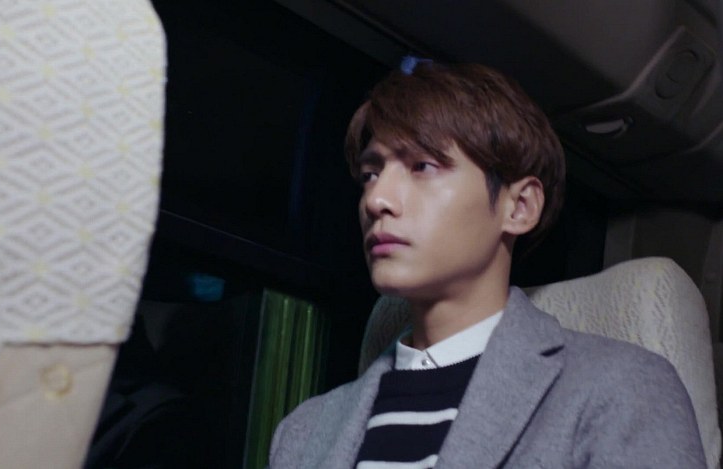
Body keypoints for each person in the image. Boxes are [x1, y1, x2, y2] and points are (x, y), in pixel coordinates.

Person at [267, 60, 706, 468]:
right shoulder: (302, 433)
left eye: (423, 166)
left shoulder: (620, 390)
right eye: (370, 174)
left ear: (520, 207)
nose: (376, 199)